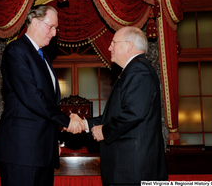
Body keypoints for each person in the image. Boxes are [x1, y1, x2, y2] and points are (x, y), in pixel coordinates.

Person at [0, 4, 85, 186]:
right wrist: (67, 121)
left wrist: (53, 143)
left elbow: (47, 104)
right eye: (51, 27)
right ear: (35, 23)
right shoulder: (16, 51)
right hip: (22, 151)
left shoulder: (42, 57)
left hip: (42, 152)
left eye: (56, 28)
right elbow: (32, 97)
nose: (54, 33)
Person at [71, 26, 168, 186]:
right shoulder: (132, 70)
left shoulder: (138, 70)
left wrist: (104, 131)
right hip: (128, 169)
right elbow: (115, 116)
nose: (109, 47)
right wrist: (85, 124)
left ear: (129, 45)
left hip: (134, 170)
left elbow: (133, 114)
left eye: (114, 42)